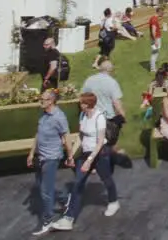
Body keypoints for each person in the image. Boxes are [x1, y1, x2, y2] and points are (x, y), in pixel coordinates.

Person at [50, 92, 118, 231]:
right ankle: (68, 219)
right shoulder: (83, 116)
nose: (79, 105)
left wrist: (89, 161)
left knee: (107, 179)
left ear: (87, 104)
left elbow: (99, 143)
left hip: (100, 154)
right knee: (78, 184)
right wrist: (71, 155)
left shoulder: (99, 118)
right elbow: (81, 137)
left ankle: (113, 201)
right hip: (86, 153)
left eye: (80, 102)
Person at [26, 89, 74, 236]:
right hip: (40, 157)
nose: (41, 101)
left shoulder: (59, 117)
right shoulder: (44, 114)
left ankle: (48, 221)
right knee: (42, 186)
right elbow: (38, 133)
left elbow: (66, 137)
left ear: (51, 101)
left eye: (44, 99)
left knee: (45, 192)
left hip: (51, 158)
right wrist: (31, 152)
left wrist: (70, 156)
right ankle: (65, 199)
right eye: (41, 99)